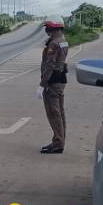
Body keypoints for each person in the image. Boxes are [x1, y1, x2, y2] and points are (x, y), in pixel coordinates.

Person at [39, 19, 68, 154]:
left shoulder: (54, 43)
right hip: (60, 79)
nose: (46, 30)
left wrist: (42, 84)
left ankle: (58, 143)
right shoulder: (63, 41)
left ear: (53, 27)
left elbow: (50, 65)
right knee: (60, 113)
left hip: (52, 81)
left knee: (53, 113)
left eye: (48, 27)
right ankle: (59, 141)